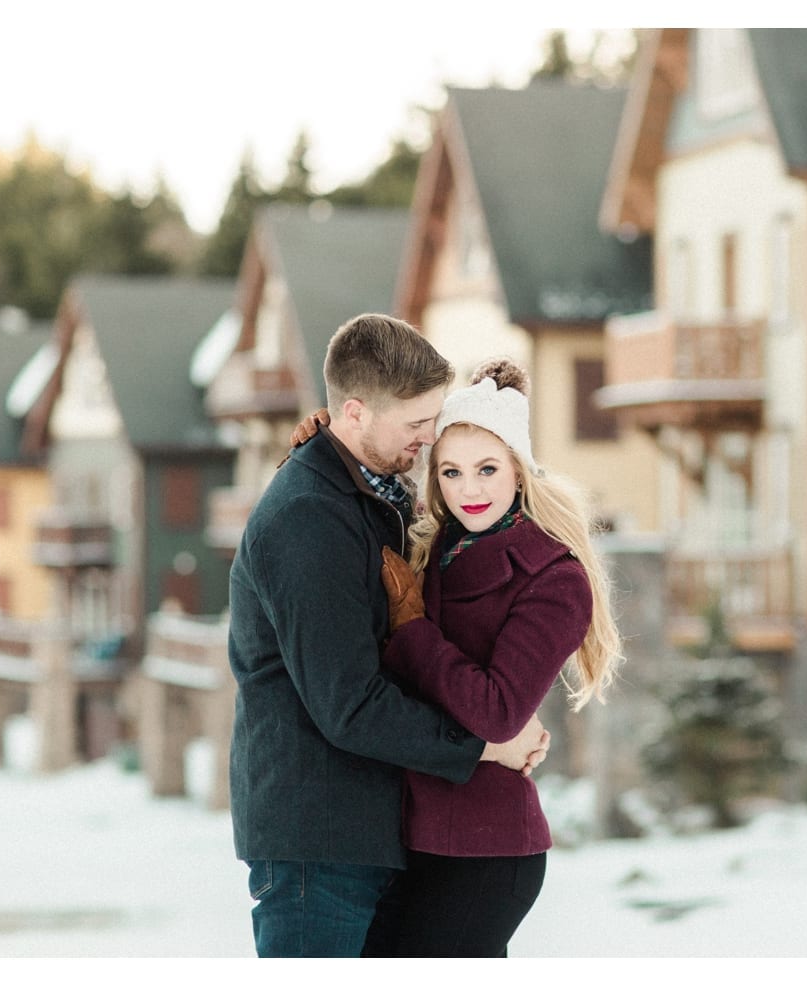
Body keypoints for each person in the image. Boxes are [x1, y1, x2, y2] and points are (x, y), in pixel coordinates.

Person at [227, 314, 550, 958]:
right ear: (353, 413)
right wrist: (485, 745)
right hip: (316, 849)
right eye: (416, 424)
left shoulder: (364, 495)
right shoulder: (308, 521)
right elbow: (350, 706)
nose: (429, 440)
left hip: (366, 835)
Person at [360, 356, 624, 957]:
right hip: (416, 833)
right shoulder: (439, 546)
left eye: (487, 468)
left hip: (485, 849)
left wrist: (412, 627)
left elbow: (499, 713)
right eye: (451, 472)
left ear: (519, 470)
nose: (469, 489)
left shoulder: (553, 578)